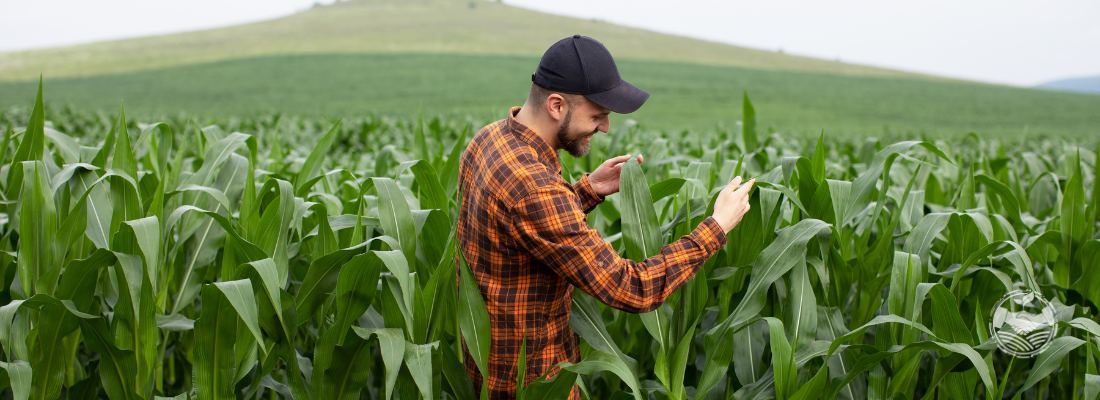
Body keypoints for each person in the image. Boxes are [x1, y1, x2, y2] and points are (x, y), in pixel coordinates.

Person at [456, 34, 754, 400]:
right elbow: (631, 287)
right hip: (533, 384)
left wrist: (587, 190)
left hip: (485, 367)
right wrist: (716, 227)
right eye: (597, 115)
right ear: (556, 105)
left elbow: (523, 231)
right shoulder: (534, 187)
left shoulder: (489, 140)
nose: (606, 127)